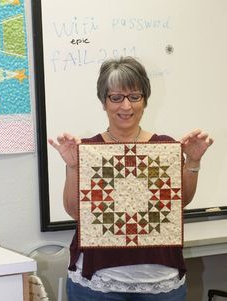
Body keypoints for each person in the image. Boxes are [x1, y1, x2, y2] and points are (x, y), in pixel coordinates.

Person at [48, 56, 214, 301]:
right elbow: (76, 212)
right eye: (116, 97)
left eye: (134, 96)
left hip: (160, 281)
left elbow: (179, 202)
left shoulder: (164, 147)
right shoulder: (89, 150)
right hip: (97, 286)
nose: (126, 106)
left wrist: (193, 162)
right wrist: (73, 166)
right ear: (104, 102)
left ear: (145, 100)